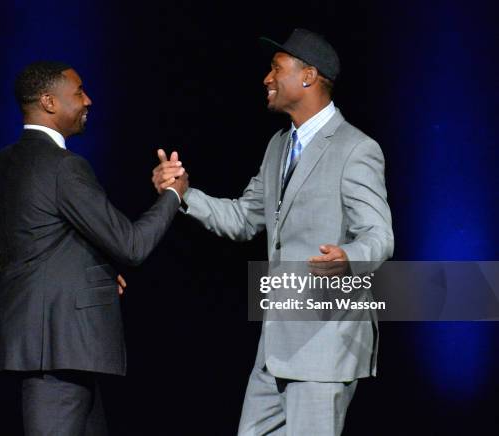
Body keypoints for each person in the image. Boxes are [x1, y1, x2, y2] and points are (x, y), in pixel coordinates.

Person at [153, 29, 393, 435]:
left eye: (276, 69)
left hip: (324, 341)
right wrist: (184, 194)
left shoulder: (356, 149)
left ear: (308, 76)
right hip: (276, 344)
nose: (266, 78)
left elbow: (379, 235)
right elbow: (244, 218)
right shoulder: (278, 147)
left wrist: (348, 257)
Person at [0, 61, 188, 435]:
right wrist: (173, 194)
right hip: (62, 350)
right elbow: (131, 245)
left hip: (42, 350)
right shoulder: (65, 167)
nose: (88, 100)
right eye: (78, 93)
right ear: (49, 102)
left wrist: (94, 274)